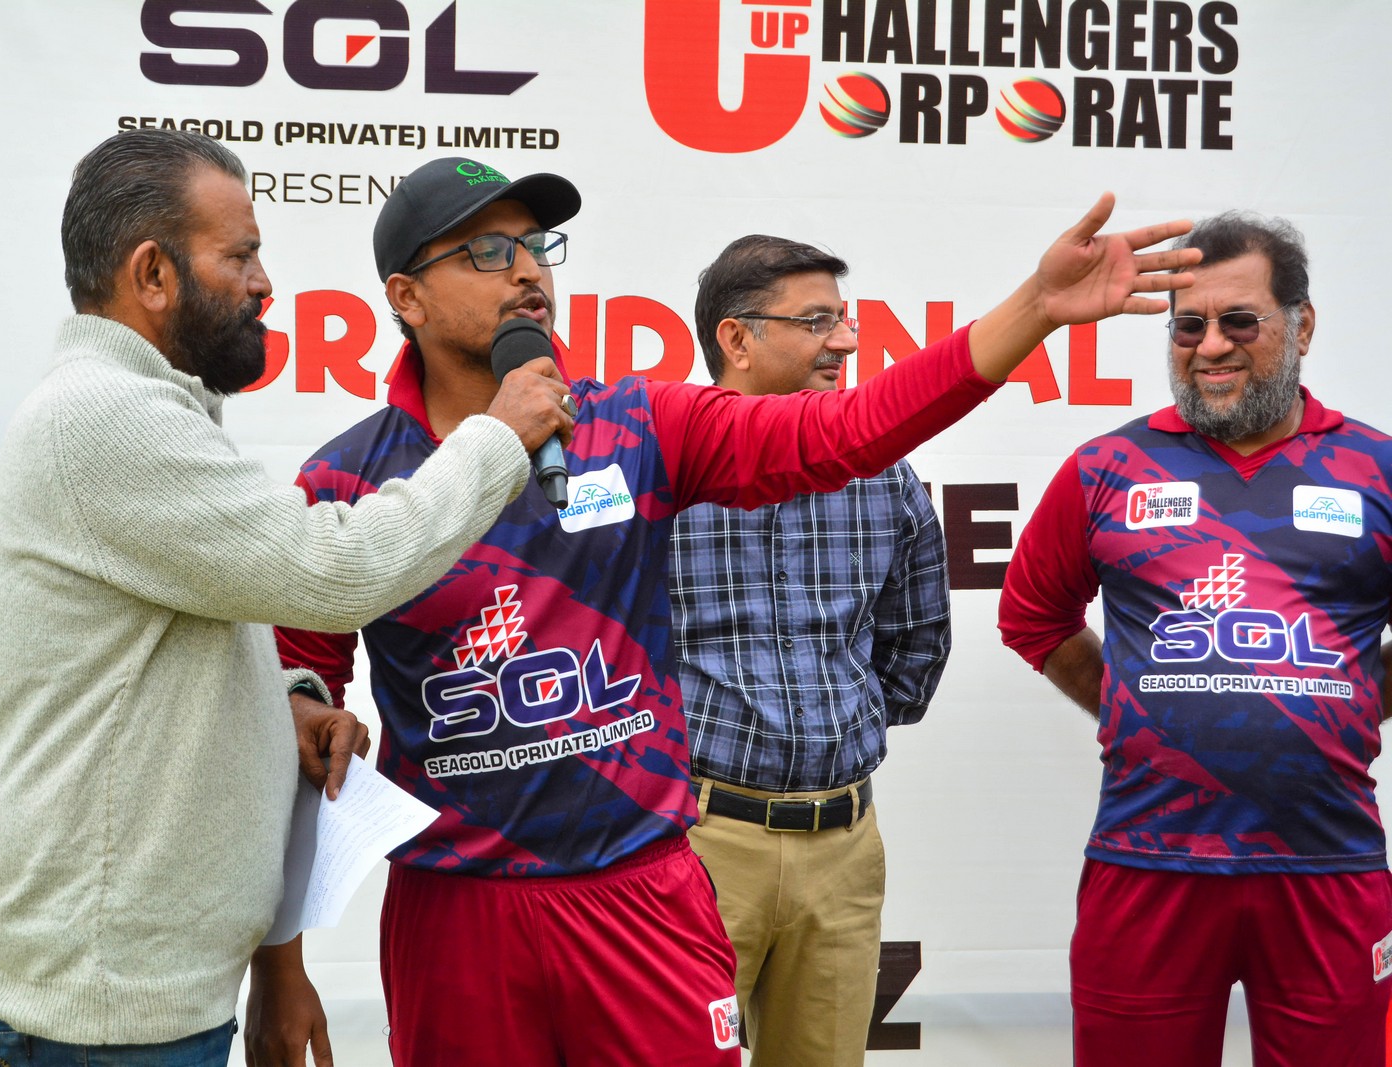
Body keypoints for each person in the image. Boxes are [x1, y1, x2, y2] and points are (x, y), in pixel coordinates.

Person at [264, 154, 1199, 1066]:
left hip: (640, 890)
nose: (525, 271)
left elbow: (851, 430)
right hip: (457, 906)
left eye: (535, 245)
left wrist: (1035, 308)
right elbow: (285, 704)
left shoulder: (636, 426)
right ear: (407, 296)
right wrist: (281, 958)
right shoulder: (343, 480)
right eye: (484, 252)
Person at [0, 130, 573, 1067]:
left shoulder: (144, 409)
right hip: (95, 1022)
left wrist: (286, 702)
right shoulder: (106, 416)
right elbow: (336, 569)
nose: (263, 283)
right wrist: (495, 439)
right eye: (238, 256)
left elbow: (160, 650)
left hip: (130, 1003)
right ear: (153, 274)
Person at [998, 211, 1392, 1067]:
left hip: (1327, 864)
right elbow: (1031, 614)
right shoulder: (1106, 469)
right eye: (1188, 326)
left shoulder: (1377, 469)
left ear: (1302, 326)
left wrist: (1356, 697)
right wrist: (1132, 702)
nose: (1211, 346)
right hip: (1149, 861)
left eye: (1239, 321)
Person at [669, 235, 950, 1065]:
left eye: (846, 319)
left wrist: (838, 727)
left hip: (844, 845)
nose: (846, 341)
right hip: (694, 842)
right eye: (818, 321)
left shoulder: (884, 473)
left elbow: (916, 641)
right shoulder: (658, 469)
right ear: (736, 338)